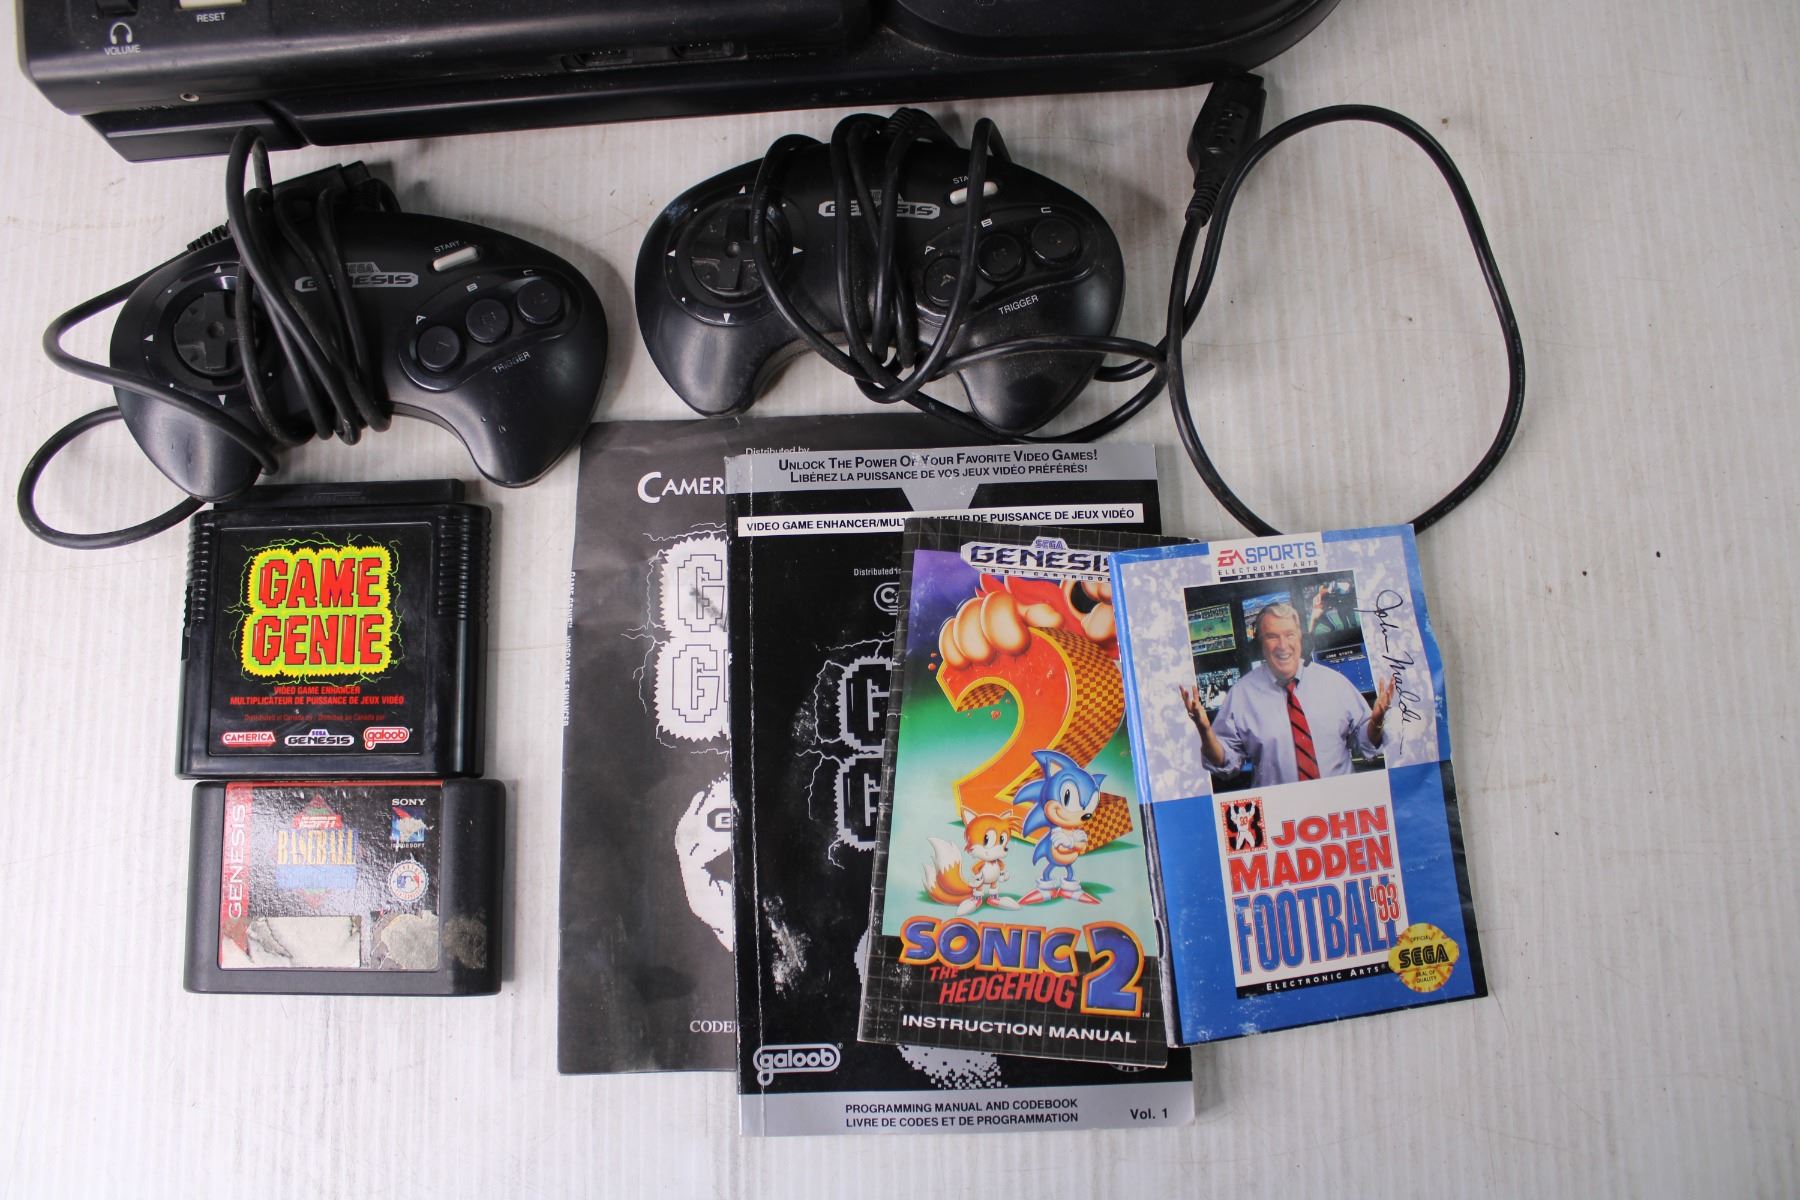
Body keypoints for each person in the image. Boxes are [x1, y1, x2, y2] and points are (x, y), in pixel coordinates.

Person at [1179, 601, 1393, 788]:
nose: (1283, 646)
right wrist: (1204, 730)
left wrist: (1377, 722)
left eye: (1289, 635)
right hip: (1279, 812)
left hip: (1339, 806)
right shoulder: (1240, 695)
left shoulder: (1335, 683)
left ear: (1300, 638)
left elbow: (1367, 744)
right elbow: (1224, 763)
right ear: (1260, 645)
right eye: (1272, 636)